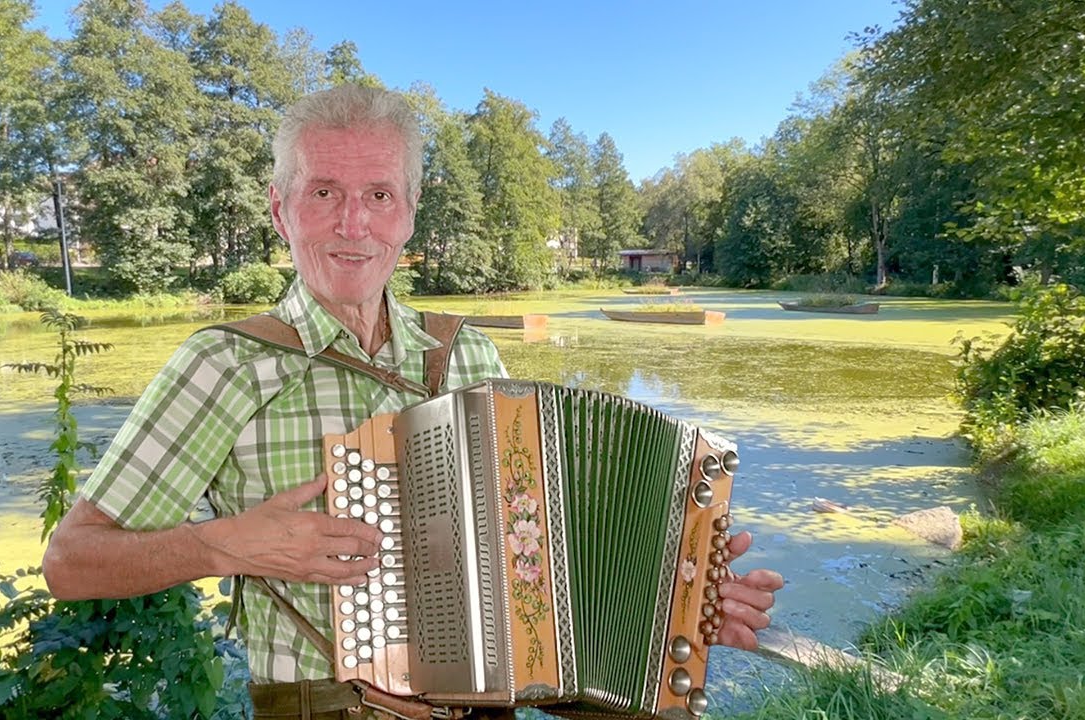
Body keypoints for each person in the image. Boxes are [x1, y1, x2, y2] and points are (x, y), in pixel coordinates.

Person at [42, 85, 783, 717]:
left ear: (410, 213)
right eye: (323, 192)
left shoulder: (466, 354)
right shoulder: (225, 362)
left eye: (378, 195)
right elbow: (71, 563)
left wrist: (677, 604)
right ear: (280, 209)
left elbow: (543, 578)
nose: (353, 224)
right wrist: (220, 545)